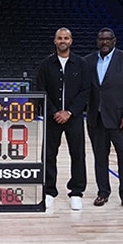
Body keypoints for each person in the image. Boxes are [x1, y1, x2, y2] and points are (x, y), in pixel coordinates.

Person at [85, 27, 123, 211]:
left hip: (121, 121)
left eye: (108, 39)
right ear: (97, 41)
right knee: (100, 158)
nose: (104, 42)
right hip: (96, 119)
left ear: (114, 41)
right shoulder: (88, 61)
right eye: (101, 39)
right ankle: (103, 192)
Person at [34, 28, 90, 211]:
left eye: (66, 38)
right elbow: (41, 90)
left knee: (78, 154)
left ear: (71, 41)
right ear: (55, 41)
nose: (63, 41)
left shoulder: (81, 64)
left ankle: (76, 192)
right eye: (60, 38)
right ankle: (49, 191)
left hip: (73, 118)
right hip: (53, 118)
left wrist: (70, 112)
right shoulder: (46, 64)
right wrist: (55, 112)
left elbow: (85, 91)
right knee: (49, 154)